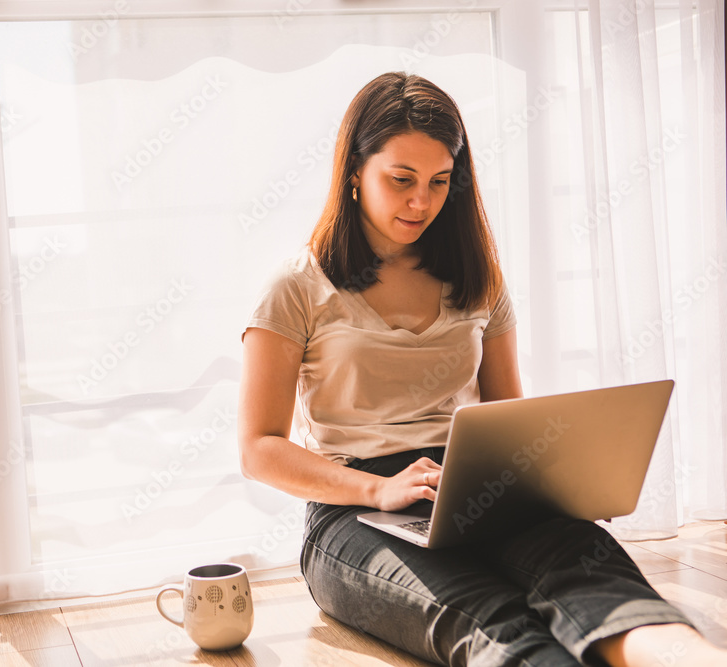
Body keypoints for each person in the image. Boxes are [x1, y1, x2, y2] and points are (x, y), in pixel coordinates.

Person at [238, 72, 727, 666]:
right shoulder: (295, 285)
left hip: (478, 487)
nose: (422, 201)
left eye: (440, 182)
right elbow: (259, 448)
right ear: (353, 174)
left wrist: (560, 485)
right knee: (494, 623)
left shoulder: (478, 280)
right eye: (401, 181)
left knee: (602, 589)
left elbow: (506, 418)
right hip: (352, 510)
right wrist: (379, 489)